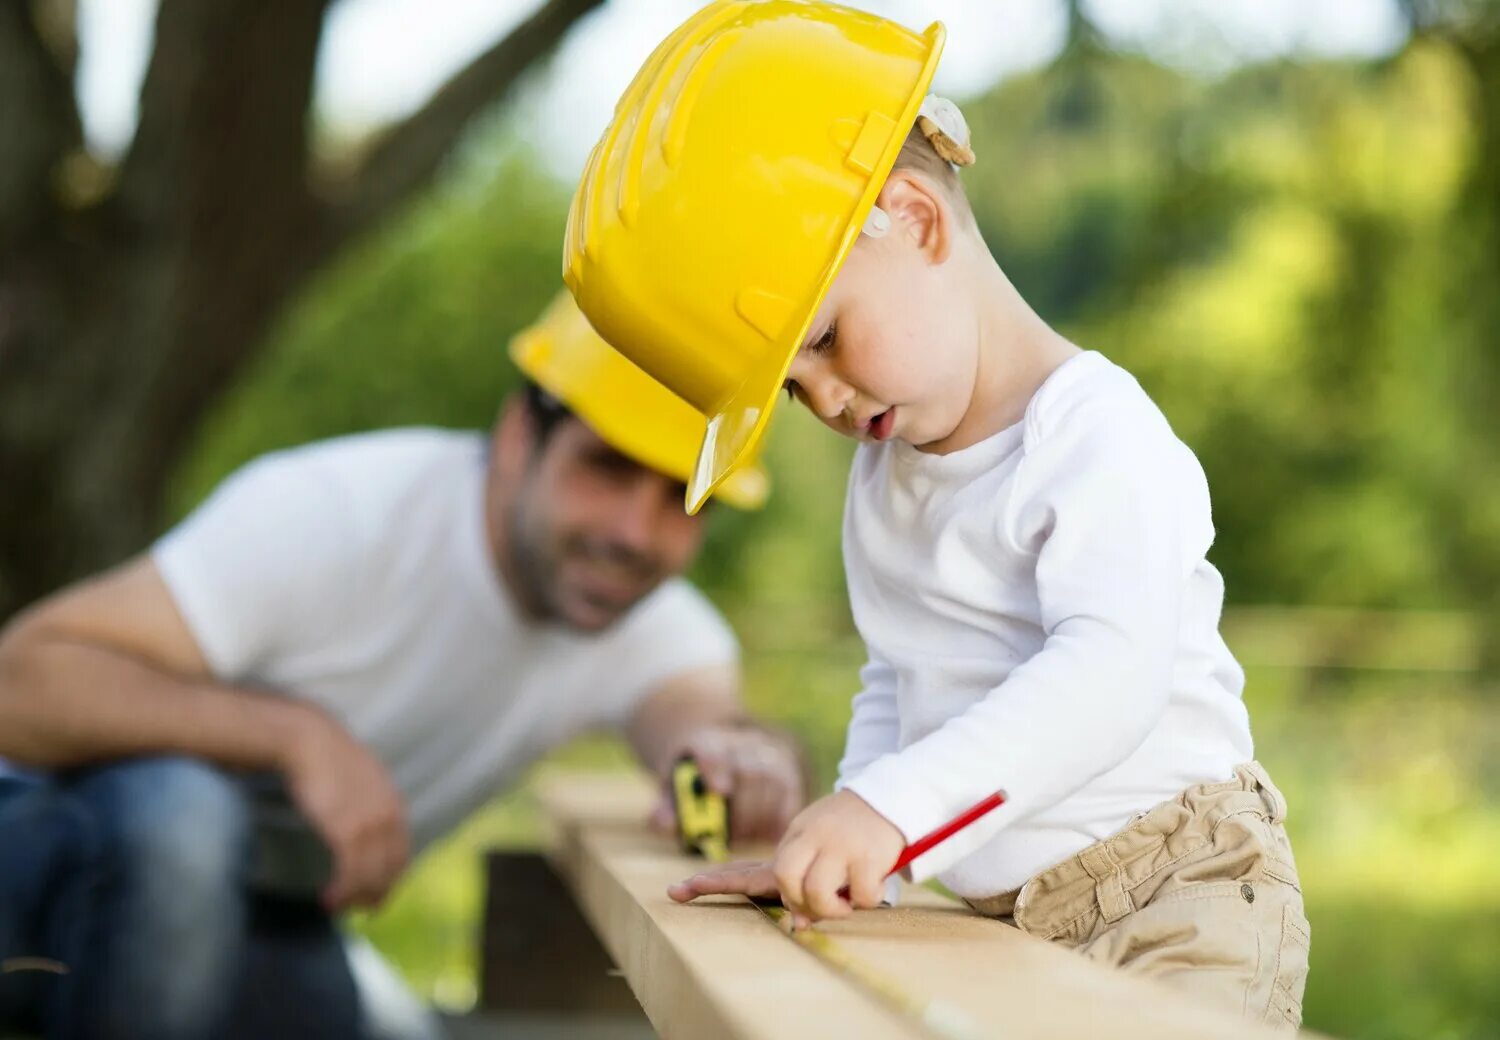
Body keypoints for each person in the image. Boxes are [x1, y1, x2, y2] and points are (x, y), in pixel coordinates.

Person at [563, 0, 1309, 1030]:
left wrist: (895, 814)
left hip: (1179, 891)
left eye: (820, 339)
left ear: (914, 220)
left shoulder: (1094, 436)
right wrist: (855, 852)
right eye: (787, 387)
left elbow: (1110, 675)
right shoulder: (889, 478)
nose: (822, 399)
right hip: (1008, 911)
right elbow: (899, 677)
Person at [0, 291, 805, 1040]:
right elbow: (23, 681)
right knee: (179, 817)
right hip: (39, 856)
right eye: (609, 467)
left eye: (686, 496)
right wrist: (296, 736)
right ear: (520, 435)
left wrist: (742, 759)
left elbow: (699, 723)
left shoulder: (651, 623)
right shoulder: (337, 515)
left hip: (259, 914)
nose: (636, 531)